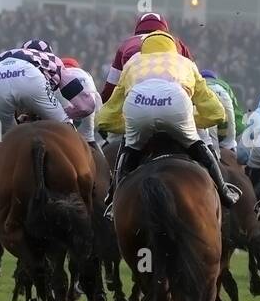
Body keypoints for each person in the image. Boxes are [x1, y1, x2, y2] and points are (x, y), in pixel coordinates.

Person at [96, 30, 239, 214]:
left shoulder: (132, 62)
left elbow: (104, 120)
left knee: (129, 148)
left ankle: (114, 201)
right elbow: (217, 113)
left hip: (139, 104)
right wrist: (191, 120)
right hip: (176, 104)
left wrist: (131, 124)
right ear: (174, 48)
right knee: (196, 144)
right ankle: (225, 192)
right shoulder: (186, 63)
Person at [0, 39, 96, 138]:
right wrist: (64, 115)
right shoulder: (53, 60)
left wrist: (13, 123)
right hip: (31, 80)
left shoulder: (1, 57)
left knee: (4, 139)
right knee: (65, 127)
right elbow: (86, 106)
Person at [99, 12, 194, 103]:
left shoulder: (126, 44)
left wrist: (102, 105)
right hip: (172, 99)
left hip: (137, 99)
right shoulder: (177, 43)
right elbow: (193, 77)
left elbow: (111, 86)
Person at [60, 56, 102, 151]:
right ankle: (104, 165)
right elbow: (99, 113)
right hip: (88, 109)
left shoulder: (59, 73)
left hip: (64, 110)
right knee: (89, 138)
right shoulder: (86, 75)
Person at [199, 69, 238, 158]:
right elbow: (235, 112)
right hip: (223, 94)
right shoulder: (223, 84)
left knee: (211, 143)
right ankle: (232, 149)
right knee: (229, 142)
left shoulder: (199, 82)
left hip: (206, 93)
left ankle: (215, 157)